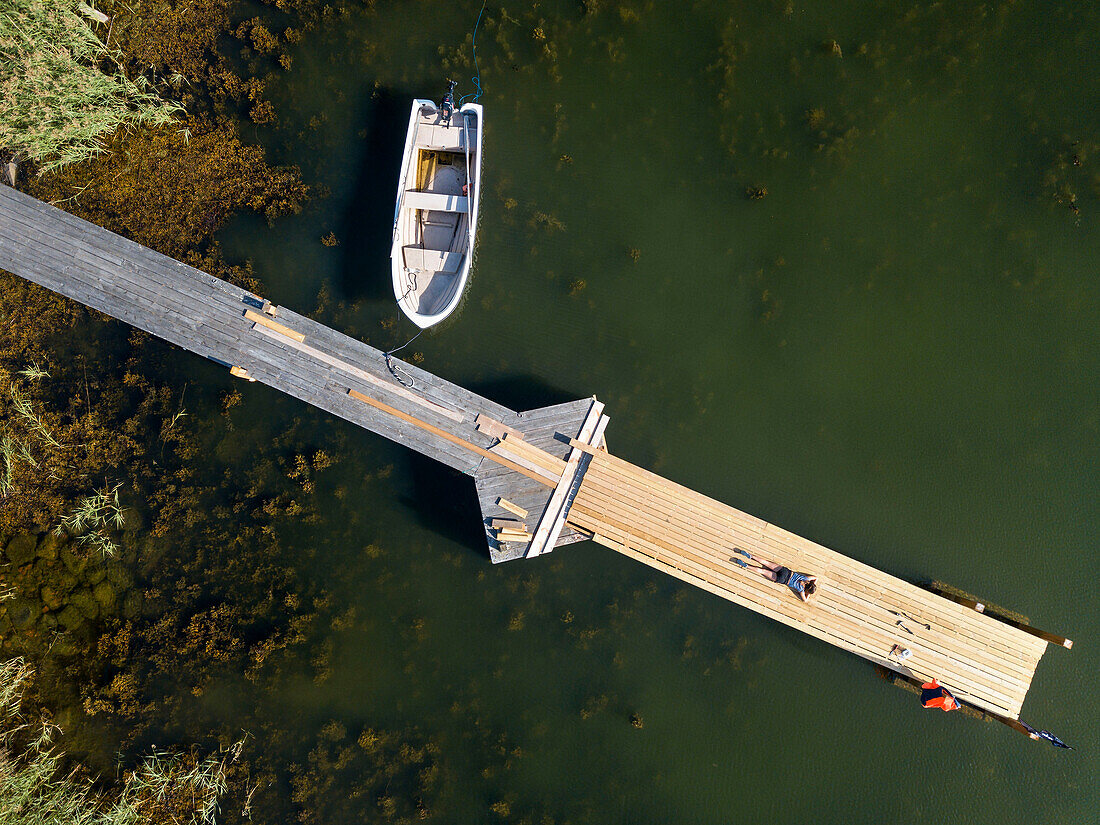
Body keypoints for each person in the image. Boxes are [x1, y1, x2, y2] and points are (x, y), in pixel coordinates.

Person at [730, 549, 817, 602]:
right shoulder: (801, 590)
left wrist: (813, 583)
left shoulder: (806, 578)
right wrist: (808, 594)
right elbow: (805, 600)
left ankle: (751, 556)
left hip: (786, 572)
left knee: (766, 563)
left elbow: (816, 577)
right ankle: (746, 565)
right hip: (783, 580)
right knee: (762, 571)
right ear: (807, 590)